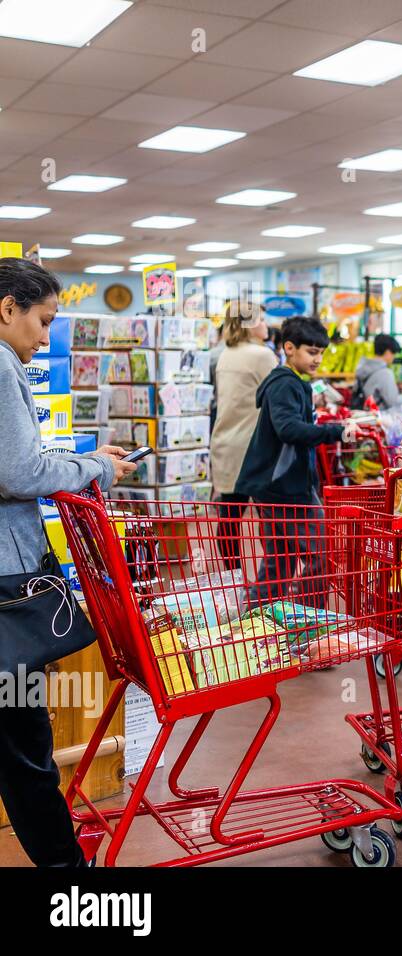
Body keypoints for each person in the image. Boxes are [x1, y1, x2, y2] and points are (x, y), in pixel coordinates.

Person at [0, 258, 137, 867]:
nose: (46, 337)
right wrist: (98, 468)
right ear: (8, 308)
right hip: (7, 579)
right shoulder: (2, 365)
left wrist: (79, 455)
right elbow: (19, 472)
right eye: (43, 320)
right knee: (23, 740)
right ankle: (67, 876)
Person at [235, 316, 357, 607]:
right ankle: (302, 622)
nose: (318, 359)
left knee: (280, 563)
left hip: (273, 485)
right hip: (285, 486)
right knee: (321, 556)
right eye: (312, 352)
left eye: (321, 352)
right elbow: (287, 429)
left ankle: (259, 622)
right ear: (289, 348)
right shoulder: (285, 385)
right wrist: (335, 431)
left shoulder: (291, 382)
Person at [210, 300, 278, 568]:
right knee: (270, 519)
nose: (266, 324)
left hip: (225, 442)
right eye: (261, 319)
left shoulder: (226, 353)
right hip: (255, 445)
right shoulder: (262, 355)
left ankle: (233, 577)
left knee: (230, 515)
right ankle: (271, 579)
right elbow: (278, 399)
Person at [351, 333, 402, 410]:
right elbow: (392, 401)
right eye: (393, 353)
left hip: (363, 413)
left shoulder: (362, 367)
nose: (393, 357)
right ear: (388, 352)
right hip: (379, 417)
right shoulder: (385, 373)